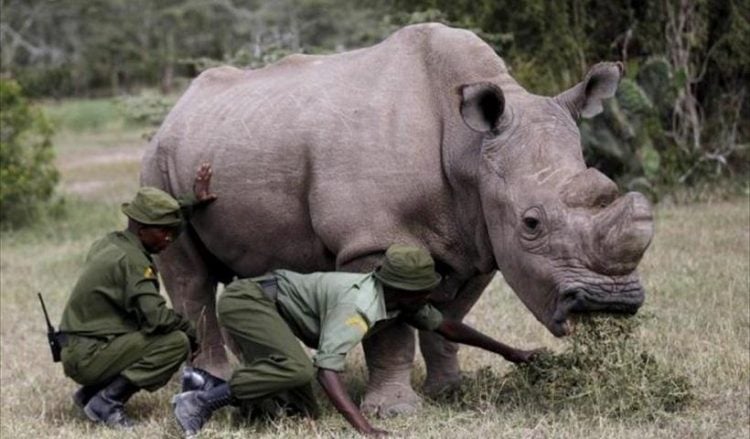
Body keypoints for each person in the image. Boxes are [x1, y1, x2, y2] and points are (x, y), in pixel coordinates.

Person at [172, 244, 539, 436]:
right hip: (250, 301)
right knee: (297, 370)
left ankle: (204, 384)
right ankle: (202, 401)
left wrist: (510, 352)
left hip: (275, 305)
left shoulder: (398, 302)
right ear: (406, 291)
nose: (431, 295)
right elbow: (326, 371)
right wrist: (365, 428)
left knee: (303, 414)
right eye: (425, 289)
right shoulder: (360, 306)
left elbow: (446, 326)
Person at [58, 164, 217, 428]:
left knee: (142, 330)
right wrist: (190, 331)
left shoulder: (111, 243)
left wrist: (192, 202)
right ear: (142, 229)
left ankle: (88, 395)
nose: (169, 238)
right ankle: (106, 402)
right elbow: (156, 318)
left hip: (78, 348)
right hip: (89, 356)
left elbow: (163, 219)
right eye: (163, 231)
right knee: (175, 342)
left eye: (171, 230)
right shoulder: (134, 263)